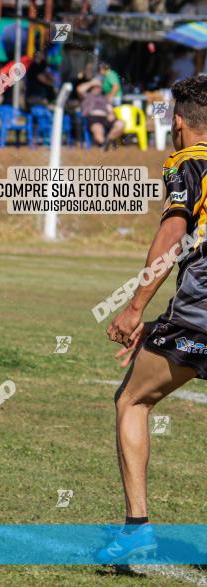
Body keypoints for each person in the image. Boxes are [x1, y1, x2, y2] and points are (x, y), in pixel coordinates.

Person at [99, 75, 207, 564]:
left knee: (133, 399)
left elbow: (173, 236)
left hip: (201, 304)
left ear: (179, 123)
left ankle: (136, 529)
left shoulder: (189, 162)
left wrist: (136, 307)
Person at [77, 77, 124, 150]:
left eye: (99, 86)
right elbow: (79, 89)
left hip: (106, 117)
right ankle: (104, 145)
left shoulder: (104, 97)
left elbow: (110, 108)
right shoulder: (86, 96)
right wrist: (92, 82)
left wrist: (112, 114)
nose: (97, 88)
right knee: (98, 129)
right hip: (93, 117)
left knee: (121, 124)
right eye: (95, 86)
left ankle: (108, 141)